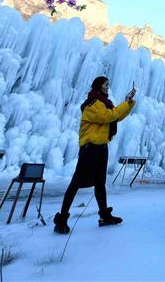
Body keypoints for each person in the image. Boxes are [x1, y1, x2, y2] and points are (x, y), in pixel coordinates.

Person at [53, 76, 136, 234]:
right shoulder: (92, 104)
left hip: (101, 148)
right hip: (90, 148)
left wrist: (128, 102)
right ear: (98, 86)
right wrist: (125, 104)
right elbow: (109, 116)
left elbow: (115, 116)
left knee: (100, 183)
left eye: (108, 84)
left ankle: (105, 216)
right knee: (76, 183)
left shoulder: (104, 104)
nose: (108, 87)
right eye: (106, 85)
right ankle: (62, 219)